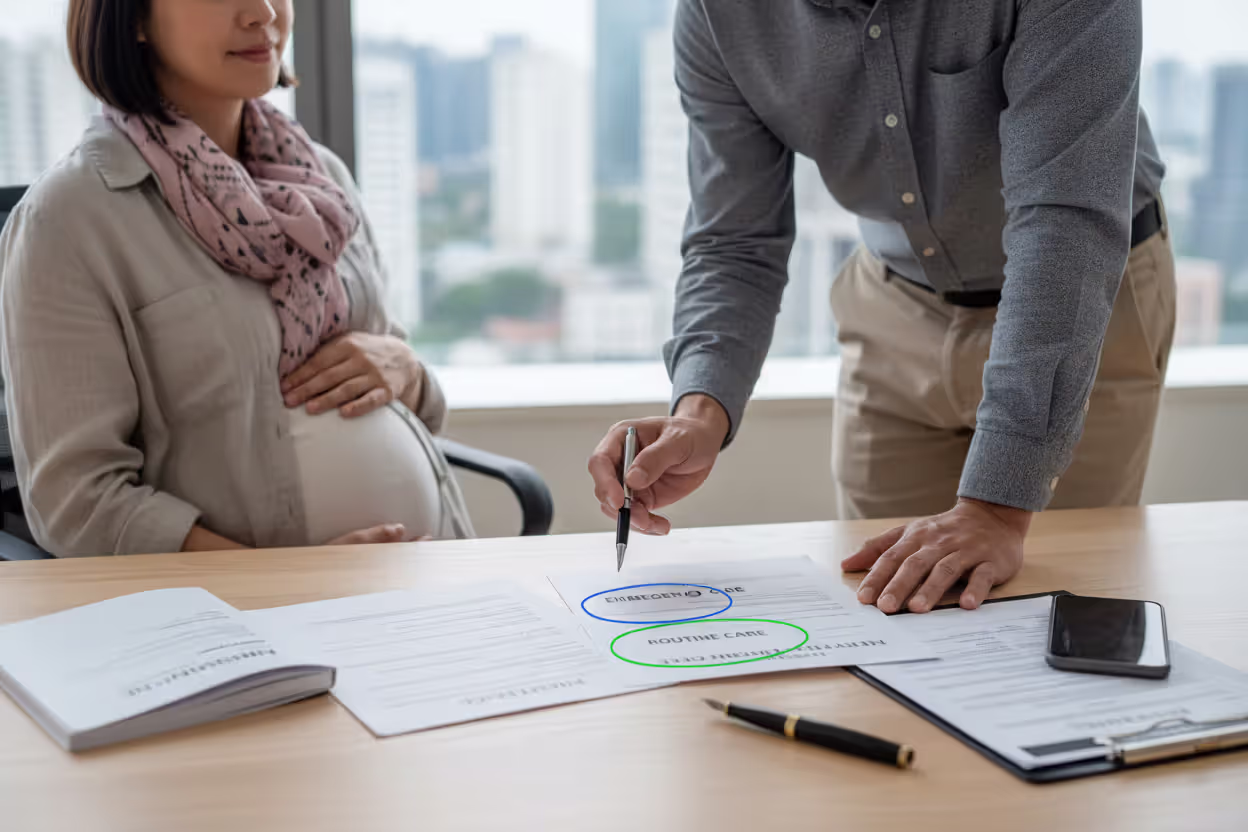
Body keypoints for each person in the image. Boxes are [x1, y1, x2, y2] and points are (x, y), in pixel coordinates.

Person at [589, 0, 1173, 613]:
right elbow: (735, 239)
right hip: (892, 306)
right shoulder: (718, 13)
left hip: (1081, 304)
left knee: (1061, 606)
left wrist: (998, 508)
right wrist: (699, 412)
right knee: (884, 606)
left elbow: (1064, 225)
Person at [0, 0, 471, 557]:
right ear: (133, 18)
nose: (263, 12)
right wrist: (287, 584)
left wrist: (407, 370)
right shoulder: (69, 220)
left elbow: (412, 401)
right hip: (250, 605)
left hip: (433, 565)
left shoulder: (322, 180)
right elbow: (75, 502)